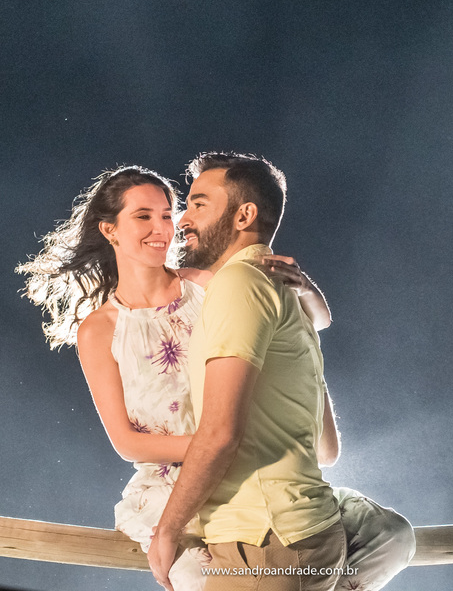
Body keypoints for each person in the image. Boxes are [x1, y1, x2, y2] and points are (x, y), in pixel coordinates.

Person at [19, 165, 413, 591]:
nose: (162, 227)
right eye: (143, 216)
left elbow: (310, 321)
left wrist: (305, 288)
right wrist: (220, 444)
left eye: (168, 214)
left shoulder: (209, 282)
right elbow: (126, 441)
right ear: (110, 230)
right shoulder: (99, 329)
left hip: (252, 472)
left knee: (389, 536)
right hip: (179, 486)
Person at [150, 152, 403, 591]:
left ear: (243, 214)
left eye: (198, 203)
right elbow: (327, 452)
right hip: (307, 533)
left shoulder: (240, 284)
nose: (182, 217)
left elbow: (220, 432)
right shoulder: (290, 295)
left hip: (263, 547)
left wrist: (167, 529)